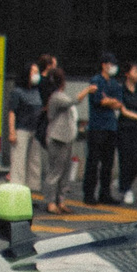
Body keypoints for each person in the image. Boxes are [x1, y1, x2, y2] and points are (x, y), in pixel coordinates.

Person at [39, 68, 88, 214]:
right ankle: (50, 202)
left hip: (66, 138)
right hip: (57, 138)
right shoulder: (56, 97)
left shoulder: (58, 96)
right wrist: (87, 90)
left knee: (64, 172)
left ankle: (60, 200)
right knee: (55, 171)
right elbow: (74, 101)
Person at [83, 51, 122, 205]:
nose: (113, 68)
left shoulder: (114, 83)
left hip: (111, 126)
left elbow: (119, 103)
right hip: (97, 126)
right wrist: (109, 101)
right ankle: (89, 194)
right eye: (111, 64)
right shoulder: (96, 80)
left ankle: (105, 193)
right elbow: (99, 100)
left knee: (108, 162)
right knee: (93, 162)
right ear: (104, 65)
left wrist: (108, 100)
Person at [114, 59, 137, 206]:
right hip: (125, 128)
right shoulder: (120, 90)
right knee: (126, 159)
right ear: (127, 74)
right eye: (135, 71)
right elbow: (123, 111)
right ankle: (126, 188)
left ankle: (124, 181)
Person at [4, 60, 44, 189]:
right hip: (21, 129)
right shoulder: (17, 92)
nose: (36, 75)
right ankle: (17, 189)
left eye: (37, 72)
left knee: (34, 162)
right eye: (34, 72)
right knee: (19, 162)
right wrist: (12, 131)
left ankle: (31, 191)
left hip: (35, 130)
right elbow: (12, 112)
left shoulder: (37, 91)